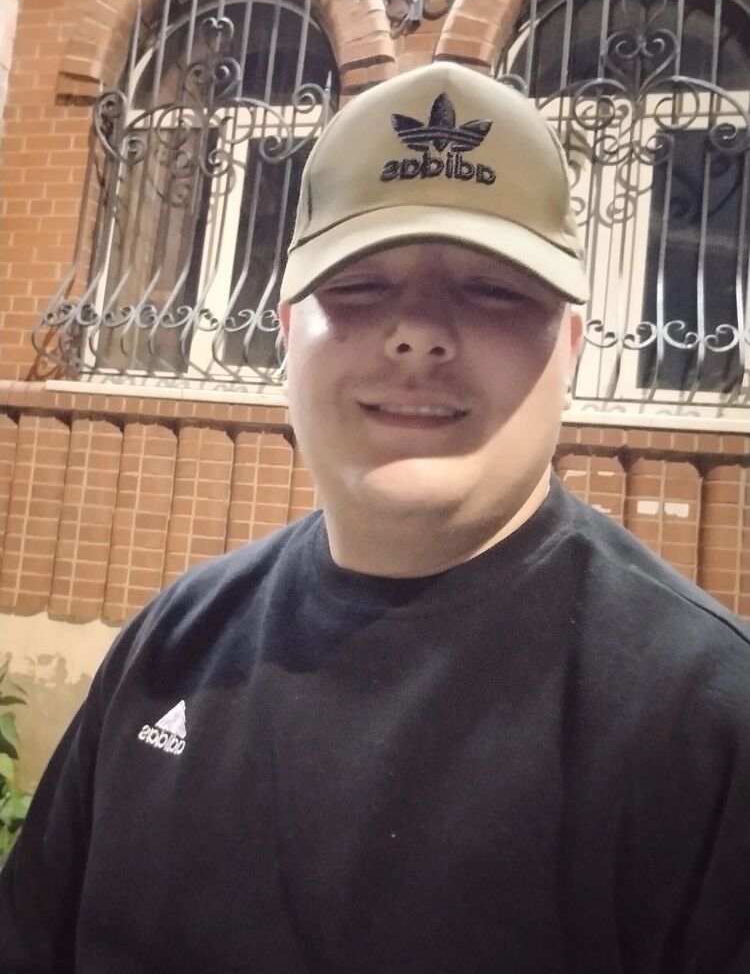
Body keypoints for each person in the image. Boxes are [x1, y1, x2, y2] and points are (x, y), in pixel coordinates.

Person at [1, 61, 749, 974]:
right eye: (357, 284)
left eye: (493, 288)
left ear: (570, 348)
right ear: (287, 334)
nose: (417, 332)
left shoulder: (708, 725)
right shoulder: (171, 646)